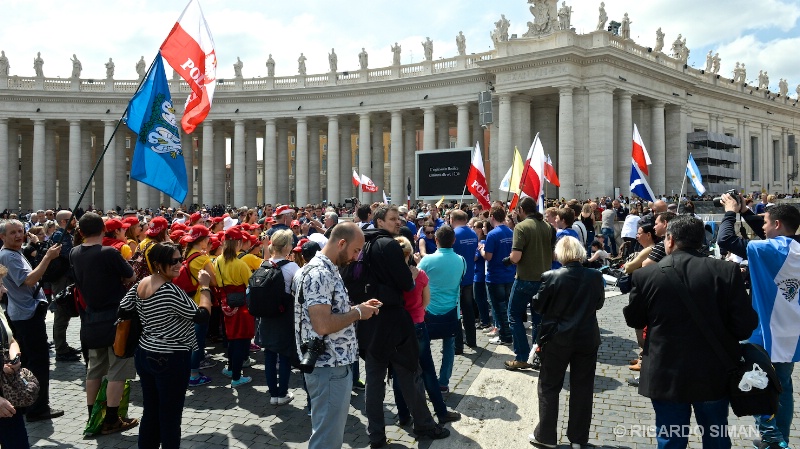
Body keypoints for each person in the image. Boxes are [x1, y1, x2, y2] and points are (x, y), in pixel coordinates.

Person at [623, 216, 758, 449]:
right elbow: (745, 325)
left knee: (671, 438)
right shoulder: (726, 271)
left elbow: (634, 319)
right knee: (715, 435)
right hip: (713, 370)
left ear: (670, 240)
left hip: (666, 372)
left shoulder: (646, 276)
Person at [358, 205, 450, 447]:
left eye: (398, 219)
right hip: (393, 321)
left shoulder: (363, 244)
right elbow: (406, 284)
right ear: (378, 221)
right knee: (410, 374)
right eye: (392, 220)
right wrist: (408, 278)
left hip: (370, 319)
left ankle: (376, 436)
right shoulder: (388, 245)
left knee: (374, 382)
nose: (397, 223)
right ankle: (424, 424)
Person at [718, 196, 800, 448]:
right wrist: (747, 211)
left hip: (764, 330)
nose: (761, 227)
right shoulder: (795, 246)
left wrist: (731, 213)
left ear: (776, 224)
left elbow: (725, 240)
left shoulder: (767, 249)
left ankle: (771, 437)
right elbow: (771, 233)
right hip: (792, 330)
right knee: (783, 386)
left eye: (765, 222)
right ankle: (781, 437)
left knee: (756, 382)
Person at [294, 222, 381, 448]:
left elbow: (330, 311)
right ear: (341, 243)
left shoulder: (326, 269)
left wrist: (357, 307)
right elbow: (322, 324)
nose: (356, 257)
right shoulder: (321, 273)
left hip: (332, 364)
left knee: (327, 432)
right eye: (355, 250)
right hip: (329, 366)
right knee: (327, 438)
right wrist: (358, 313)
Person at [119, 243, 212, 449]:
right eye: (174, 261)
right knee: (170, 415)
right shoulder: (170, 290)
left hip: (145, 352)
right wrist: (204, 286)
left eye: (181, 259)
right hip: (170, 356)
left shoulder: (141, 283)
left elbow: (123, 310)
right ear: (158, 264)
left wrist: (149, 321)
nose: (179, 264)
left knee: (151, 410)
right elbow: (202, 316)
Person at [528, 236, 604, 448]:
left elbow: (538, 306)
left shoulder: (551, 276)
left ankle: (546, 436)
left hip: (557, 338)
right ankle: (578, 439)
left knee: (549, 386)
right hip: (586, 337)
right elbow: (599, 303)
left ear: (560, 254)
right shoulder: (595, 276)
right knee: (582, 387)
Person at [70, 212, 139, 434]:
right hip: (116, 317)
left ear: (80, 232)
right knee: (118, 369)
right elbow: (130, 276)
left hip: (90, 317)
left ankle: (93, 417)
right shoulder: (109, 252)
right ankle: (111, 419)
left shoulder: (74, 252)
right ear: (103, 229)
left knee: (95, 369)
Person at [391, 237, 461, 426]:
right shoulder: (419, 274)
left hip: (397, 327)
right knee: (427, 370)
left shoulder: (389, 277)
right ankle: (441, 411)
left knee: (398, 373)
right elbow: (426, 301)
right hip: (418, 324)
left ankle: (404, 415)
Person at [0, 219, 64, 422]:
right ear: (3, 237)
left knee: (31, 359)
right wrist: (47, 257)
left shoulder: (13, 253)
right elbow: (29, 280)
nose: (19, 235)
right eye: (13, 233)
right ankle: (38, 407)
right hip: (26, 315)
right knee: (38, 362)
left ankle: (30, 404)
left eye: (20, 231)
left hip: (24, 313)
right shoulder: (9, 256)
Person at [505, 197, 555, 370]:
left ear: (521, 210)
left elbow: (516, 257)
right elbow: (553, 255)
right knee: (538, 320)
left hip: (525, 279)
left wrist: (508, 260)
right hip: (544, 280)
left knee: (513, 316)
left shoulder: (521, 227)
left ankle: (522, 356)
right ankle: (537, 356)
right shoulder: (548, 226)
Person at [418, 225, 466, 391]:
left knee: (424, 348)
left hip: (428, 311)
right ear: (454, 240)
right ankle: (443, 382)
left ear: (436, 240)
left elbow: (417, 283)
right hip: (451, 311)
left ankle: (427, 380)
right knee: (449, 348)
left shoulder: (426, 260)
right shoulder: (461, 260)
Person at [259, 229, 299, 403]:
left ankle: (273, 394)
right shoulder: (292, 267)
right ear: (287, 247)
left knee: (269, 354)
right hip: (285, 315)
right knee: (284, 355)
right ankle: (282, 393)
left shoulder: (264, 265)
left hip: (266, 315)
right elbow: (298, 291)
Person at [214, 227, 255, 387]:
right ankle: (237, 377)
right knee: (241, 339)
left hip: (226, 302)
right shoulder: (240, 264)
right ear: (238, 243)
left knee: (232, 338)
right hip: (242, 304)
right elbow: (250, 285)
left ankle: (231, 368)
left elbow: (217, 282)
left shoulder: (218, 261)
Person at [182, 225, 218, 387]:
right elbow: (215, 280)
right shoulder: (203, 259)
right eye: (208, 238)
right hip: (201, 301)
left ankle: (190, 370)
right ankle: (194, 374)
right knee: (197, 340)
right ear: (202, 241)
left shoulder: (190, 254)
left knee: (191, 339)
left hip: (189, 301)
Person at [0, 264, 30, 448]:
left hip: (7, 393)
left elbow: (11, 339)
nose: (4, 289)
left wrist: (14, 357)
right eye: (0, 284)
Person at [480, 206, 516, 345]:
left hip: (495, 276)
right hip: (509, 274)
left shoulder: (492, 234)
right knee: (507, 307)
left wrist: (482, 250)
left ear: (492, 217)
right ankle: (509, 333)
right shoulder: (511, 232)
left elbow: (488, 256)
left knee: (498, 308)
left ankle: (505, 336)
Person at [449, 210, 478, 353]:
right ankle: (472, 340)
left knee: (456, 311)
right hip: (469, 276)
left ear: (452, 219)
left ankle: (457, 345)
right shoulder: (473, 233)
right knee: (468, 309)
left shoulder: (454, 234)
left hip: (456, 277)